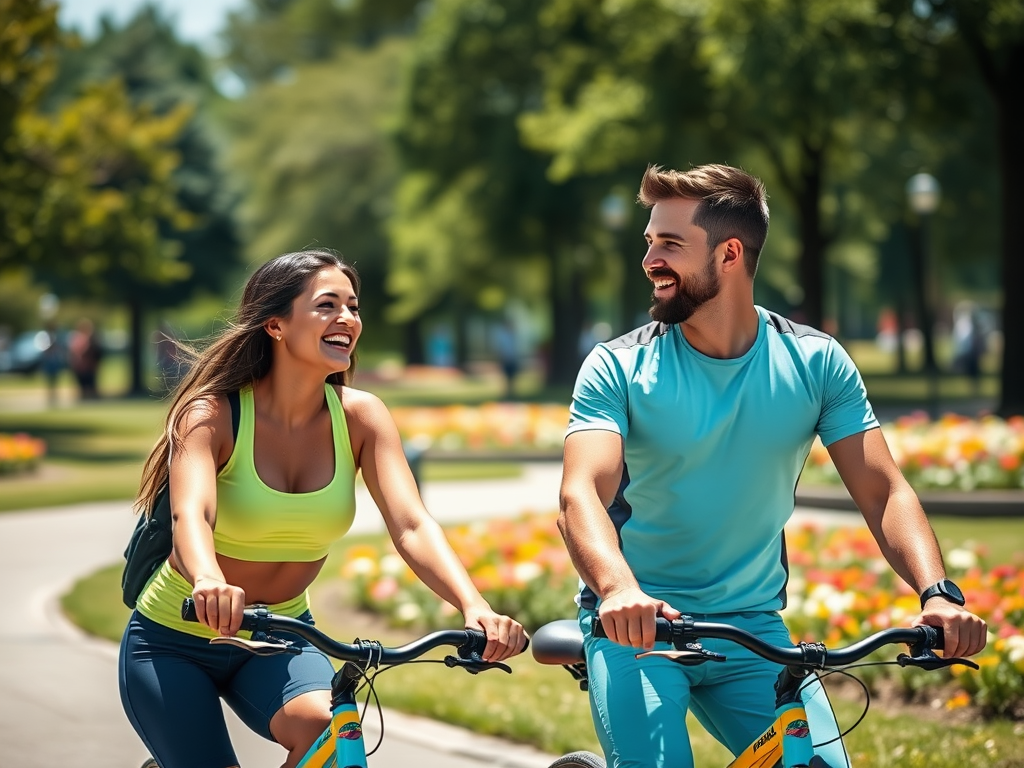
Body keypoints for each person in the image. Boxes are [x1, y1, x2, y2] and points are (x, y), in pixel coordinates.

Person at [557, 164, 987, 768]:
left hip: (754, 629)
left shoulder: (817, 363)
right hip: (639, 627)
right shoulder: (618, 366)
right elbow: (581, 497)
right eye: (649, 241)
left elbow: (883, 491)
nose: (650, 259)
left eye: (670, 244)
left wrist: (938, 594)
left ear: (730, 253)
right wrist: (618, 590)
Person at [119, 249, 528, 768]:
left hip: (281, 636)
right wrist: (206, 579)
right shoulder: (212, 413)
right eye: (327, 305)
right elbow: (191, 515)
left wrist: (475, 607)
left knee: (330, 737)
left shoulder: (362, 417)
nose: (348, 320)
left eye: (353, 307)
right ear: (275, 325)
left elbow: (411, 524)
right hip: (173, 640)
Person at [67, 318, 103, 399]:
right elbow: (74, 352)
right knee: (83, 386)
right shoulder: (78, 338)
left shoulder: (92, 339)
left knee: (90, 386)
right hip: (80, 367)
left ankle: (91, 399)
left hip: (90, 366)